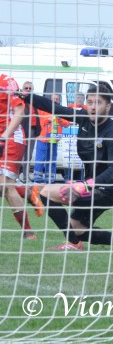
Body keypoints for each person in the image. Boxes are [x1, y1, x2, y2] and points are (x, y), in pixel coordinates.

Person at [23, 83, 113, 250]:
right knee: (76, 229)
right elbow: (54, 107)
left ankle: (73, 244)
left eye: (98, 102)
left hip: (107, 190)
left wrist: (85, 185)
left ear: (108, 107)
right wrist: (25, 96)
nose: (92, 107)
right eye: (90, 102)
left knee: (46, 192)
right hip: (89, 187)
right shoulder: (83, 118)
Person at [0, 75, 38, 239]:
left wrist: (4, 137)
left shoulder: (6, 81)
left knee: (5, 186)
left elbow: (20, 112)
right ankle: (30, 194)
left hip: (11, 138)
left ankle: (28, 233)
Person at [31, 96, 70, 184]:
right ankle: (37, 180)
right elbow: (38, 119)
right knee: (40, 159)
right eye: (54, 98)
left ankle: (50, 180)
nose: (55, 100)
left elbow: (67, 123)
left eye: (57, 99)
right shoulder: (43, 108)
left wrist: (59, 120)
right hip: (43, 138)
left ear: (59, 100)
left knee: (52, 161)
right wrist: (48, 119)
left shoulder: (61, 110)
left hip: (54, 140)